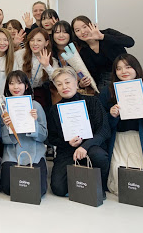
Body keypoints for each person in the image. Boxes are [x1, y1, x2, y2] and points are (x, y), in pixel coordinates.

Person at [99, 54, 143, 201]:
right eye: (118, 68)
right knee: (121, 184)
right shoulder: (108, 91)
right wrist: (111, 115)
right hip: (119, 142)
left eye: (128, 67)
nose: (123, 71)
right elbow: (101, 124)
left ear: (136, 68)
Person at [48, 67, 110, 197]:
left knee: (99, 156)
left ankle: (99, 185)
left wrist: (84, 146)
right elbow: (52, 138)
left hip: (91, 147)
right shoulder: (54, 110)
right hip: (67, 150)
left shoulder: (92, 101)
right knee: (58, 188)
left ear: (76, 83)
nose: (64, 86)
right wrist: (67, 142)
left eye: (67, 82)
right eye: (59, 84)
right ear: (57, 89)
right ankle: (80, 182)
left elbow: (104, 130)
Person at [0, 70, 48, 196]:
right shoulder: (4, 108)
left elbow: (44, 136)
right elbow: (3, 140)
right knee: (8, 188)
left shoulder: (35, 106)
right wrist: (6, 126)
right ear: (7, 86)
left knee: (37, 189)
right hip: (12, 154)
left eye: (20, 83)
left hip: (35, 153)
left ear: (26, 86)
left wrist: (34, 122)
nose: (16, 87)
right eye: (12, 83)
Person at [72, 15, 135, 92]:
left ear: (91, 25)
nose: (83, 31)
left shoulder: (107, 33)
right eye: (77, 30)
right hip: (105, 83)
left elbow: (130, 42)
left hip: (125, 75)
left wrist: (102, 37)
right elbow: (93, 76)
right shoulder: (84, 52)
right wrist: (81, 84)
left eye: (85, 27)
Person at [15, 28, 59, 108]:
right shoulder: (19, 55)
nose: (35, 43)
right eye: (32, 40)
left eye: (39, 40)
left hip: (39, 96)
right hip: (19, 93)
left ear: (46, 43)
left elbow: (58, 81)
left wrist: (47, 66)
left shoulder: (52, 60)